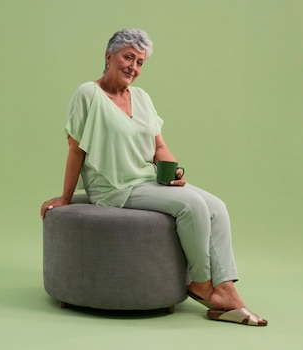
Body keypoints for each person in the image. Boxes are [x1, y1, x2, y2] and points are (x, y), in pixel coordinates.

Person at [40, 29, 267, 326]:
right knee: (192, 207)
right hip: (113, 187)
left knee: (216, 206)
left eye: (140, 62)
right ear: (109, 57)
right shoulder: (88, 94)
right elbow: (75, 151)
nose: (133, 67)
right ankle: (202, 282)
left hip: (147, 180)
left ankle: (225, 289)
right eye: (128, 57)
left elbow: (159, 146)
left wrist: (175, 173)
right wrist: (65, 197)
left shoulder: (142, 97)